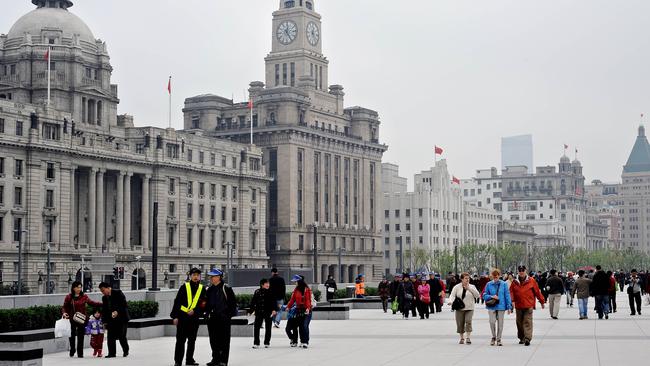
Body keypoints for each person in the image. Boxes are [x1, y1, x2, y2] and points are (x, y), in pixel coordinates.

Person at [170, 268, 206, 366]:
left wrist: (195, 311)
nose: (196, 277)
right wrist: (175, 316)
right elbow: (177, 302)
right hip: (182, 318)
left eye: (197, 275)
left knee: (192, 341)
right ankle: (178, 361)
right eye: (194, 275)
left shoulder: (202, 288)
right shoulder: (184, 287)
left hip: (194, 319)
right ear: (190, 276)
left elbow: (203, 304)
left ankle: (189, 360)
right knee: (180, 341)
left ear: (199, 276)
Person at [61, 281, 102, 358]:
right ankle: (72, 349)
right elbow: (64, 307)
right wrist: (64, 313)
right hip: (72, 319)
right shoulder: (69, 297)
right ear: (73, 288)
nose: (79, 289)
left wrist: (102, 304)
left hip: (82, 319)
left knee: (81, 336)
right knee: (71, 335)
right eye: (77, 287)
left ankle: (80, 353)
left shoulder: (84, 296)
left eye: (80, 287)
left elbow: (92, 303)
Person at [205, 269, 237, 366]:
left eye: (213, 276)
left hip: (223, 319)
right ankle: (215, 359)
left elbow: (233, 304)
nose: (211, 278)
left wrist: (227, 315)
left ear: (219, 277)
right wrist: (206, 315)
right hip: (212, 319)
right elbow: (206, 304)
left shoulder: (226, 288)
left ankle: (223, 361)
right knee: (213, 340)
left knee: (224, 340)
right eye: (210, 276)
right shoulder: (209, 290)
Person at [510, 265, 545, 346]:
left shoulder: (531, 280)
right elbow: (511, 292)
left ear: (526, 271)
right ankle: (521, 337)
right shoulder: (514, 282)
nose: (521, 272)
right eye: (520, 271)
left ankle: (527, 338)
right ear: (518, 272)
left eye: (523, 270)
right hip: (518, 306)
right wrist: (512, 301)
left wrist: (542, 301)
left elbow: (537, 292)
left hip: (528, 305)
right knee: (519, 323)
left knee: (527, 322)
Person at [98, 282, 130, 359]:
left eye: (103, 290)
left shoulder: (118, 293)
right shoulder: (104, 298)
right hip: (111, 319)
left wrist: (117, 311)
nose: (102, 292)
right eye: (101, 291)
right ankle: (112, 353)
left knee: (121, 336)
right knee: (110, 336)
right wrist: (104, 321)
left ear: (108, 288)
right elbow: (104, 310)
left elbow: (124, 304)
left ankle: (126, 350)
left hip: (121, 318)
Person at [447, 273, 480, 345]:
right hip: (459, 308)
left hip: (469, 307)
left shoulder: (472, 286)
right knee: (460, 323)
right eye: (465, 278)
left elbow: (477, 295)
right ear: (461, 279)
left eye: (468, 278)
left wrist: (469, 288)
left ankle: (468, 337)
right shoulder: (457, 287)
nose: (467, 280)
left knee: (468, 321)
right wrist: (450, 301)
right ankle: (462, 338)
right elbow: (452, 295)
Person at [483, 269, 512, 347]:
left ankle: (499, 339)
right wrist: (492, 296)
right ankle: (493, 337)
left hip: (501, 306)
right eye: (494, 276)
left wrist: (509, 306)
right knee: (492, 322)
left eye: (497, 276)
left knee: (500, 324)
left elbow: (507, 295)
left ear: (499, 276)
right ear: (492, 276)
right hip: (491, 306)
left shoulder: (504, 284)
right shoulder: (488, 284)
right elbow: (484, 295)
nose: (495, 278)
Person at [249, 278, 278, 348]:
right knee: (256, 327)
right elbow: (253, 302)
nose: (268, 285)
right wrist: (251, 311)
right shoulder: (257, 292)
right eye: (266, 283)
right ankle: (256, 343)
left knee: (268, 328)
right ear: (262, 285)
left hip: (268, 312)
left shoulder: (271, 291)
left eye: (268, 283)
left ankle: (267, 342)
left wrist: (274, 309)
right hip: (259, 312)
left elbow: (274, 302)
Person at [285, 275, 312, 348]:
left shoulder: (306, 289)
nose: (295, 283)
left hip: (307, 310)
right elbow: (292, 300)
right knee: (300, 326)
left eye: (295, 281)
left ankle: (305, 341)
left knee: (305, 326)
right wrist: (288, 307)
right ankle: (302, 341)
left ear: (299, 281)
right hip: (299, 310)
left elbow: (308, 300)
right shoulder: (296, 290)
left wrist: (308, 308)